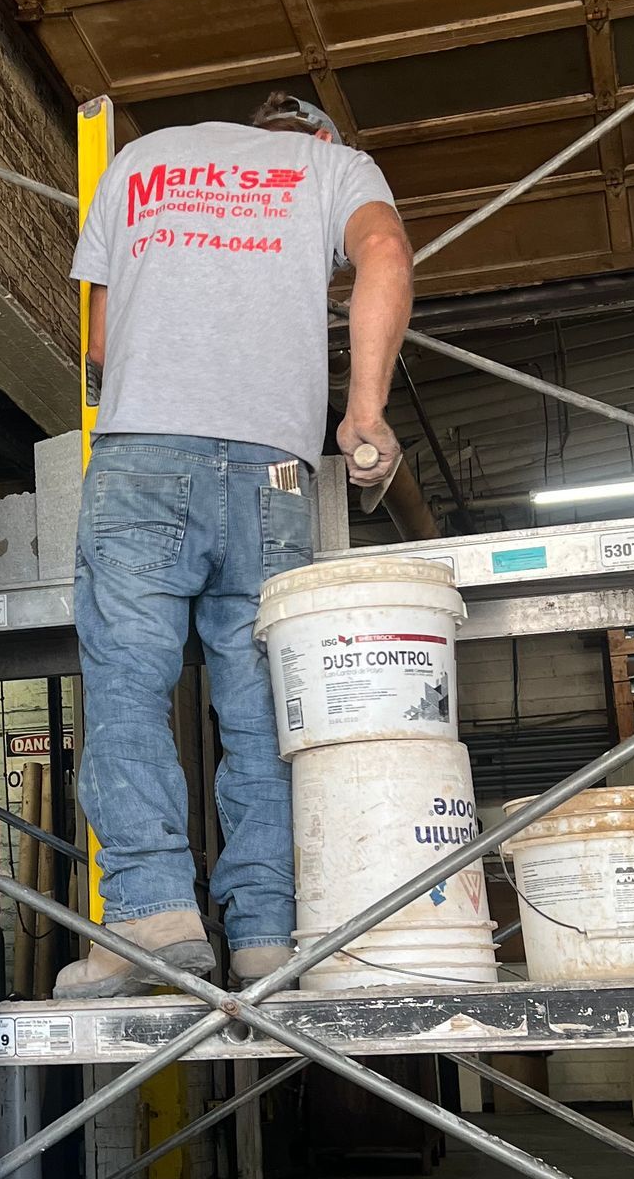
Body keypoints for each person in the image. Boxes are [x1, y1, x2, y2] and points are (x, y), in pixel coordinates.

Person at [57, 92, 416, 997]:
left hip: (144, 456)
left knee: (130, 690)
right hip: (275, 472)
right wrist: (364, 408)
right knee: (263, 708)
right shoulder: (336, 170)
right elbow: (385, 253)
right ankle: (263, 933)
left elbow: (99, 343)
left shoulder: (137, 164)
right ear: (321, 136)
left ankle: (151, 916)